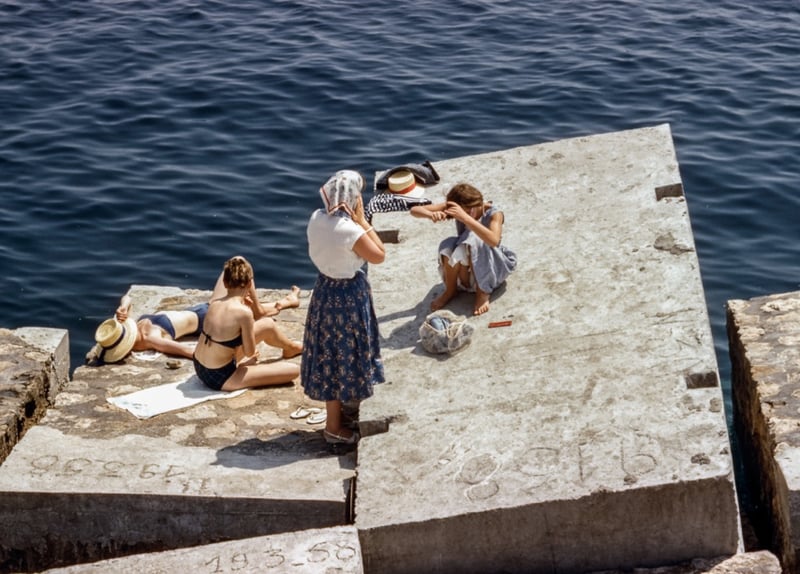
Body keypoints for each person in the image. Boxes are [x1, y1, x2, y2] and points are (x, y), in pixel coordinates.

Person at [301, 169, 386, 445]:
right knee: (346, 353)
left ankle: (336, 417)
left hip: (325, 291)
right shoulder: (351, 230)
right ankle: (334, 428)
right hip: (349, 296)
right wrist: (363, 222)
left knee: (330, 355)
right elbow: (379, 255)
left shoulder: (316, 219)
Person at [192, 255, 301, 391]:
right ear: (249, 284)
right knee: (293, 370)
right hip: (219, 377)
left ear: (225, 283)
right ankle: (291, 348)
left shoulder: (214, 304)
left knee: (267, 324)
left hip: (199, 366)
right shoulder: (244, 313)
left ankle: (290, 348)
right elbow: (249, 352)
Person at [111, 285, 302, 360]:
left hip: (198, 310)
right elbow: (191, 352)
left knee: (237, 273)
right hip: (206, 317)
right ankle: (286, 302)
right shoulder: (151, 338)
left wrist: (122, 307)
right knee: (251, 311)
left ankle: (285, 303)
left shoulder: (132, 325)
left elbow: (128, 300)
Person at [410, 182, 517, 316]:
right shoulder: (458, 209)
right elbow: (414, 210)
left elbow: (493, 240)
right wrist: (431, 215)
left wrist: (465, 218)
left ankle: (483, 292)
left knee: (474, 239)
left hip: (491, 266)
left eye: (468, 211)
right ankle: (451, 290)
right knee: (447, 245)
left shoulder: (494, 213)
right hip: (468, 264)